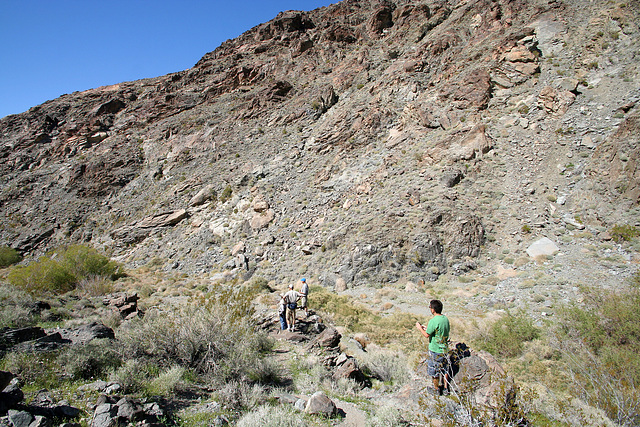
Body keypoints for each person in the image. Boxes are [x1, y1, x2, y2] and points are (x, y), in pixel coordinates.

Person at [416, 299, 451, 396]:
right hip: (445, 349)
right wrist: (427, 328)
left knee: (434, 370)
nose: (430, 309)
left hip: (435, 350)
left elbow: (427, 335)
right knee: (445, 369)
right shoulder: (445, 319)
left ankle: (436, 390)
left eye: (430, 307)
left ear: (433, 310)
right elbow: (437, 330)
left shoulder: (433, 320)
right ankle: (445, 388)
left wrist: (420, 328)